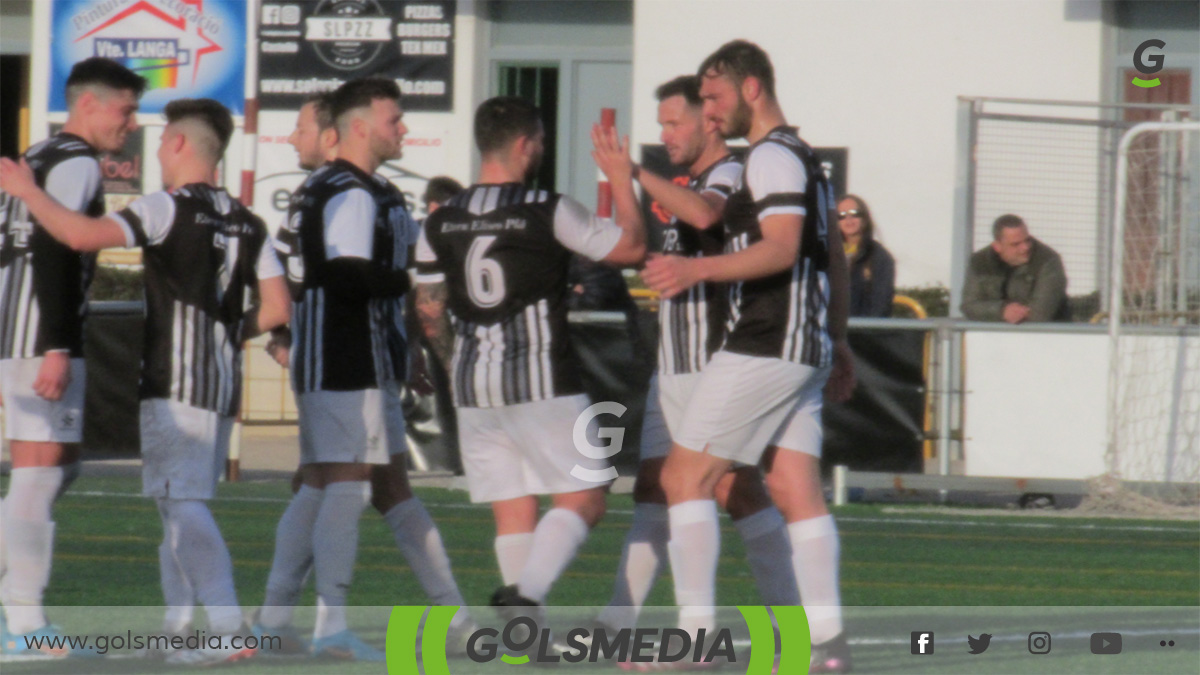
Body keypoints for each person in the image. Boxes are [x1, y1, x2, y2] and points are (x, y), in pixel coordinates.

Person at [0, 98, 290, 666]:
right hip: (221, 386)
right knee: (175, 508)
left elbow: (82, 237)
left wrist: (29, 192)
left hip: (174, 383)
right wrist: (230, 330)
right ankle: (179, 628)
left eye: (160, 141)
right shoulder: (248, 219)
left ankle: (228, 626)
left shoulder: (167, 206)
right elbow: (277, 307)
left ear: (180, 144)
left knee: (181, 506)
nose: (154, 150)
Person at [638, 41, 855, 673]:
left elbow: (784, 249)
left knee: (684, 479)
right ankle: (829, 650)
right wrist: (837, 337)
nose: (709, 112)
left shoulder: (769, 157)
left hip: (768, 338)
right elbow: (833, 256)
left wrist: (693, 266)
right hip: (803, 343)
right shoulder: (801, 157)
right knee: (794, 489)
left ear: (751, 89)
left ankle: (694, 646)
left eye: (714, 98)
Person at [256, 90, 471, 658]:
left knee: (369, 485)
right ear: (356, 127)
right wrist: (413, 288)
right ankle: (327, 627)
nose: (402, 126)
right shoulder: (348, 191)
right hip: (344, 356)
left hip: (364, 357)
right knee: (341, 486)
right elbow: (347, 278)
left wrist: (408, 345)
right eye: (392, 118)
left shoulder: (370, 191)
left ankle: (453, 615)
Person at [414, 96, 645, 615]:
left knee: (513, 511)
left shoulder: (440, 220)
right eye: (540, 139)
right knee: (587, 496)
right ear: (524, 145)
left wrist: (457, 369)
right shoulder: (548, 208)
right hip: (541, 378)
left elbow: (429, 309)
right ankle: (526, 598)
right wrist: (619, 179)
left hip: (473, 384)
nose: (542, 147)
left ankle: (525, 633)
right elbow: (631, 249)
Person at [592, 75, 799, 635]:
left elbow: (707, 216)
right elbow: (644, 247)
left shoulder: (729, 172)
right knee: (656, 485)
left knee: (736, 489)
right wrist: (624, 184)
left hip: (713, 364)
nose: (665, 134)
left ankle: (743, 630)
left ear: (709, 121)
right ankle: (616, 620)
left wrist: (636, 172)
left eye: (673, 122)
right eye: (660, 124)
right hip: (674, 365)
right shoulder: (680, 184)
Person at [0, 57, 144, 656]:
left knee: (61, 466)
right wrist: (57, 343)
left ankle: (15, 605)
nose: (131, 124)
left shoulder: (37, 155)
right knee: (39, 472)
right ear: (88, 103)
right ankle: (25, 624)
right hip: (39, 334)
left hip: (21, 328)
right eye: (125, 109)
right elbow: (58, 251)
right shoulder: (78, 161)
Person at [961, 214, 1069, 323]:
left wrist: (1014, 315)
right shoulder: (979, 261)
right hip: (991, 336)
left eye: (1027, 240)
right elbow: (969, 306)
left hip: (1044, 335)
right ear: (997, 247)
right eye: (1015, 244)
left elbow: (1042, 312)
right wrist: (1001, 311)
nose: (1025, 248)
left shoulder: (1048, 261)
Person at [837, 194, 895, 317]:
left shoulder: (879, 257)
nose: (849, 220)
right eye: (841, 216)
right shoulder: (827, 254)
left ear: (864, 217)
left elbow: (880, 307)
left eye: (854, 214)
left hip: (862, 330)